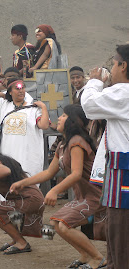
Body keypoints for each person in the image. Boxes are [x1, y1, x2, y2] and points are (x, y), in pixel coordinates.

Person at [10, 104, 107, 269]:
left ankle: (98, 259)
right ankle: (85, 255)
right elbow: (48, 173)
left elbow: (76, 173)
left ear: (73, 121)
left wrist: (54, 190)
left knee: (64, 224)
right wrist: (22, 182)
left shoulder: (77, 142)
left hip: (94, 195)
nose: (59, 118)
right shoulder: (63, 144)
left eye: (63, 115)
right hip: (83, 196)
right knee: (56, 223)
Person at [81, 44, 129, 269]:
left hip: (124, 169)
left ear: (123, 65)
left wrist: (94, 80)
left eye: (114, 63)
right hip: (119, 166)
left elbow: (89, 106)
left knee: (121, 224)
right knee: (116, 222)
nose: (112, 67)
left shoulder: (123, 93)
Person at [0, 77, 49, 201]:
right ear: (10, 91)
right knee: (6, 182)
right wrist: (5, 96)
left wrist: (44, 108)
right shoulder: (4, 105)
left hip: (28, 155)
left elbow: (44, 125)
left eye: (23, 88)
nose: (21, 91)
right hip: (8, 153)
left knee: (27, 185)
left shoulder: (34, 108)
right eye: (17, 88)